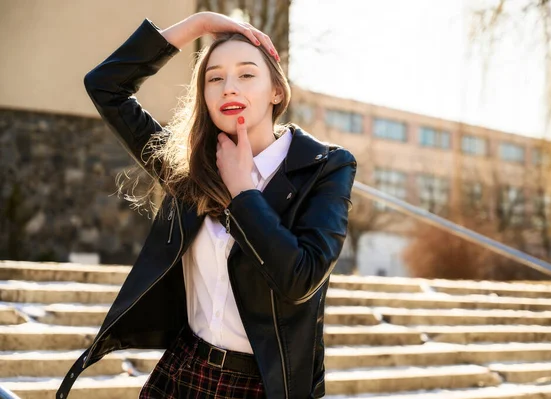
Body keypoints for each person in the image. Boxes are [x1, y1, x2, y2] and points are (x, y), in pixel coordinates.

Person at [57, 11, 357, 399]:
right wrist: (197, 25)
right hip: (184, 372)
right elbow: (105, 86)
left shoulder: (324, 168)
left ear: (276, 92)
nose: (229, 88)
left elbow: (300, 279)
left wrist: (243, 192)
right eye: (214, 78)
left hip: (263, 386)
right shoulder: (190, 168)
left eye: (247, 74)